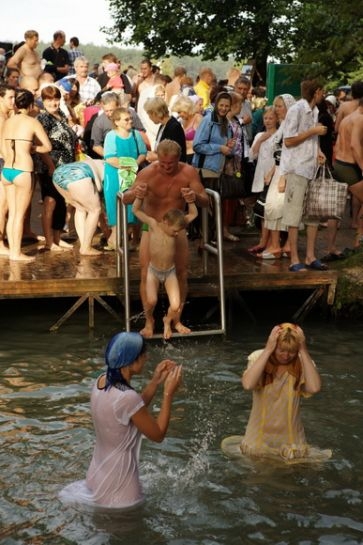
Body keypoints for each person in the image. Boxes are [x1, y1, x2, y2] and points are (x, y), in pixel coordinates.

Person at [59, 331, 182, 509]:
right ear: (131, 360)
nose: (147, 358)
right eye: (143, 354)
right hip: (121, 488)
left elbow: (131, 411)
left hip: (96, 477)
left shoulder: (100, 382)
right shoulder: (127, 398)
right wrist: (168, 393)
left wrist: (155, 381)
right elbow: (158, 434)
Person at [123, 139, 209, 338]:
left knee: (181, 273)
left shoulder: (188, 172)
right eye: (163, 163)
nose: (166, 167)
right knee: (145, 273)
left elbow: (205, 201)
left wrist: (193, 197)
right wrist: (136, 193)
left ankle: (176, 319)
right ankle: (149, 321)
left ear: (178, 159)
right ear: (157, 158)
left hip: (176, 227)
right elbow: (126, 198)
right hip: (151, 225)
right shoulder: (147, 173)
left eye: (171, 164)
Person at [240, 323, 328, 462]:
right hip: (257, 440)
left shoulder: (302, 363)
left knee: (290, 482)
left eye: (291, 351)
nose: (286, 355)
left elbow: (314, 388)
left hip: (292, 442)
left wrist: (303, 350)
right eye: (281, 350)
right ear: (274, 345)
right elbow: (248, 384)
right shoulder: (259, 357)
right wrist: (268, 349)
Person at [132, 196, 198, 339]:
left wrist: (190, 201)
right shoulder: (153, 225)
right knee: (151, 300)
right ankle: (150, 320)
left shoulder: (177, 225)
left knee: (175, 305)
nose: (176, 234)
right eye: (174, 231)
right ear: (166, 222)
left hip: (170, 272)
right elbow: (136, 210)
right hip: (153, 271)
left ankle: (167, 321)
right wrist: (139, 197)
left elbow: (193, 214)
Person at [279, 78, 328, 272]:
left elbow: (311, 141)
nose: (323, 94)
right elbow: (289, 141)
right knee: (293, 214)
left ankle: (310, 256)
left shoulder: (314, 111)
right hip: (297, 168)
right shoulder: (296, 110)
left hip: (311, 168)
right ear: (316, 92)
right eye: (322, 91)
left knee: (312, 214)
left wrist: (318, 152)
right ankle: (294, 259)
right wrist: (312, 131)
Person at [1, 89, 51, 261]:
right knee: (18, 215)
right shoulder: (32, 122)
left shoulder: (7, 122)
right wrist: (33, 148)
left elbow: (2, 147)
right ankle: (16, 253)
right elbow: (47, 147)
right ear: (30, 105)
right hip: (23, 170)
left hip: (7, 170)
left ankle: (13, 250)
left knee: (12, 213)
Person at [36, 84, 77, 251]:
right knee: (50, 201)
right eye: (50, 99)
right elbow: (41, 145)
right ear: (43, 101)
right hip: (50, 166)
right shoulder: (43, 119)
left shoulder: (61, 115)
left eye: (56, 99)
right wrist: (51, 166)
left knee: (61, 202)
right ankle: (49, 241)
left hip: (65, 166)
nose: (54, 103)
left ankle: (58, 238)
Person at [103, 106, 147, 250]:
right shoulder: (111, 136)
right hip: (115, 175)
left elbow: (142, 153)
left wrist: (135, 164)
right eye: (126, 119)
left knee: (133, 208)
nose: (130, 121)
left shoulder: (136, 134)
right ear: (117, 122)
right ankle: (115, 239)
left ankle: (133, 240)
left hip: (132, 175)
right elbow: (110, 158)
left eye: (130, 118)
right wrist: (128, 165)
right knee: (116, 207)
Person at [52, 157, 104, 255]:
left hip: (58, 173)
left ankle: (84, 243)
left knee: (80, 209)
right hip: (78, 175)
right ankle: (86, 248)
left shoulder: (99, 162)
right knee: (95, 210)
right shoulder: (110, 171)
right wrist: (107, 232)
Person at [144, 97, 187, 164]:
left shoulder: (174, 127)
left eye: (149, 114)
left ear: (155, 113)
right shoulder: (163, 125)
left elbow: (175, 154)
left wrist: (155, 157)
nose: (149, 117)